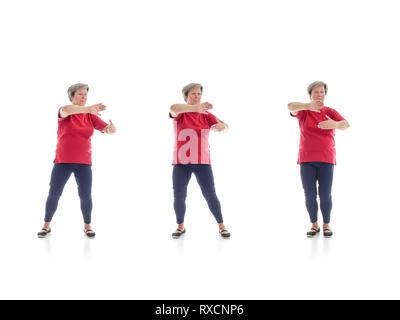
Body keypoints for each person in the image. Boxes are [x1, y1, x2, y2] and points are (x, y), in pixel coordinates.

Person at [37, 83, 116, 238]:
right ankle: (46, 225)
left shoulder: (90, 115)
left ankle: (87, 226)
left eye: (85, 94)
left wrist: (111, 130)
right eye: (80, 94)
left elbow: (105, 128)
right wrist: (88, 109)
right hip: (63, 161)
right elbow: (66, 110)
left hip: (84, 162)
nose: (84, 97)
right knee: (54, 193)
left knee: (86, 195)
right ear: (72, 96)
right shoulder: (65, 110)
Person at [288, 81, 349, 237]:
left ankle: (326, 224)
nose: (319, 95)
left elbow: (345, 125)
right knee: (309, 194)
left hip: (326, 159)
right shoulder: (304, 111)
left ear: (325, 94)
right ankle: (314, 224)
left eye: (321, 92)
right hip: (306, 159)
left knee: (325, 194)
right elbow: (290, 106)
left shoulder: (330, 111)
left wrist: (333, 123)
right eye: (315, 92)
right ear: (310, 95)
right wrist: (307, 106)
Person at [169, 83, 230, 238]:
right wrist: (194, 108)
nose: (196, 97)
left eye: (198, 94)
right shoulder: (181, 112)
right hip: (181, 162)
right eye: (193, 94)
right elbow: (173, 108)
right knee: (179, 195)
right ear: (186, 97)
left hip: (202, 162)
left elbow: (224, 126)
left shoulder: (206, 115)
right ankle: (180, 226)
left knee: (210, 194)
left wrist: (221, 127)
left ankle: (221, 225)